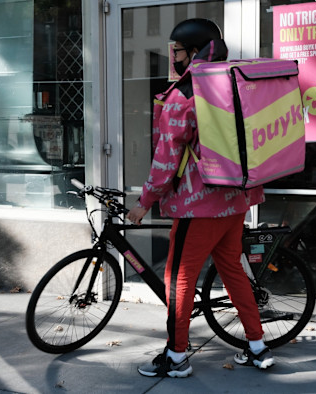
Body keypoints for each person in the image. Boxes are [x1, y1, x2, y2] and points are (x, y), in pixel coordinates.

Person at [127, 18, 274, 378]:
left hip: (198, 207)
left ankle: (176, 357)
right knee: (234, 272)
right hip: (235, 202)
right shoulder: (234, 83)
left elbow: (166, 159)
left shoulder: (184, 94)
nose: (171, 56)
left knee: (179, 280)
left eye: (175, 49)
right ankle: (256, 346)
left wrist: (145, 202)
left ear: (193, 51)